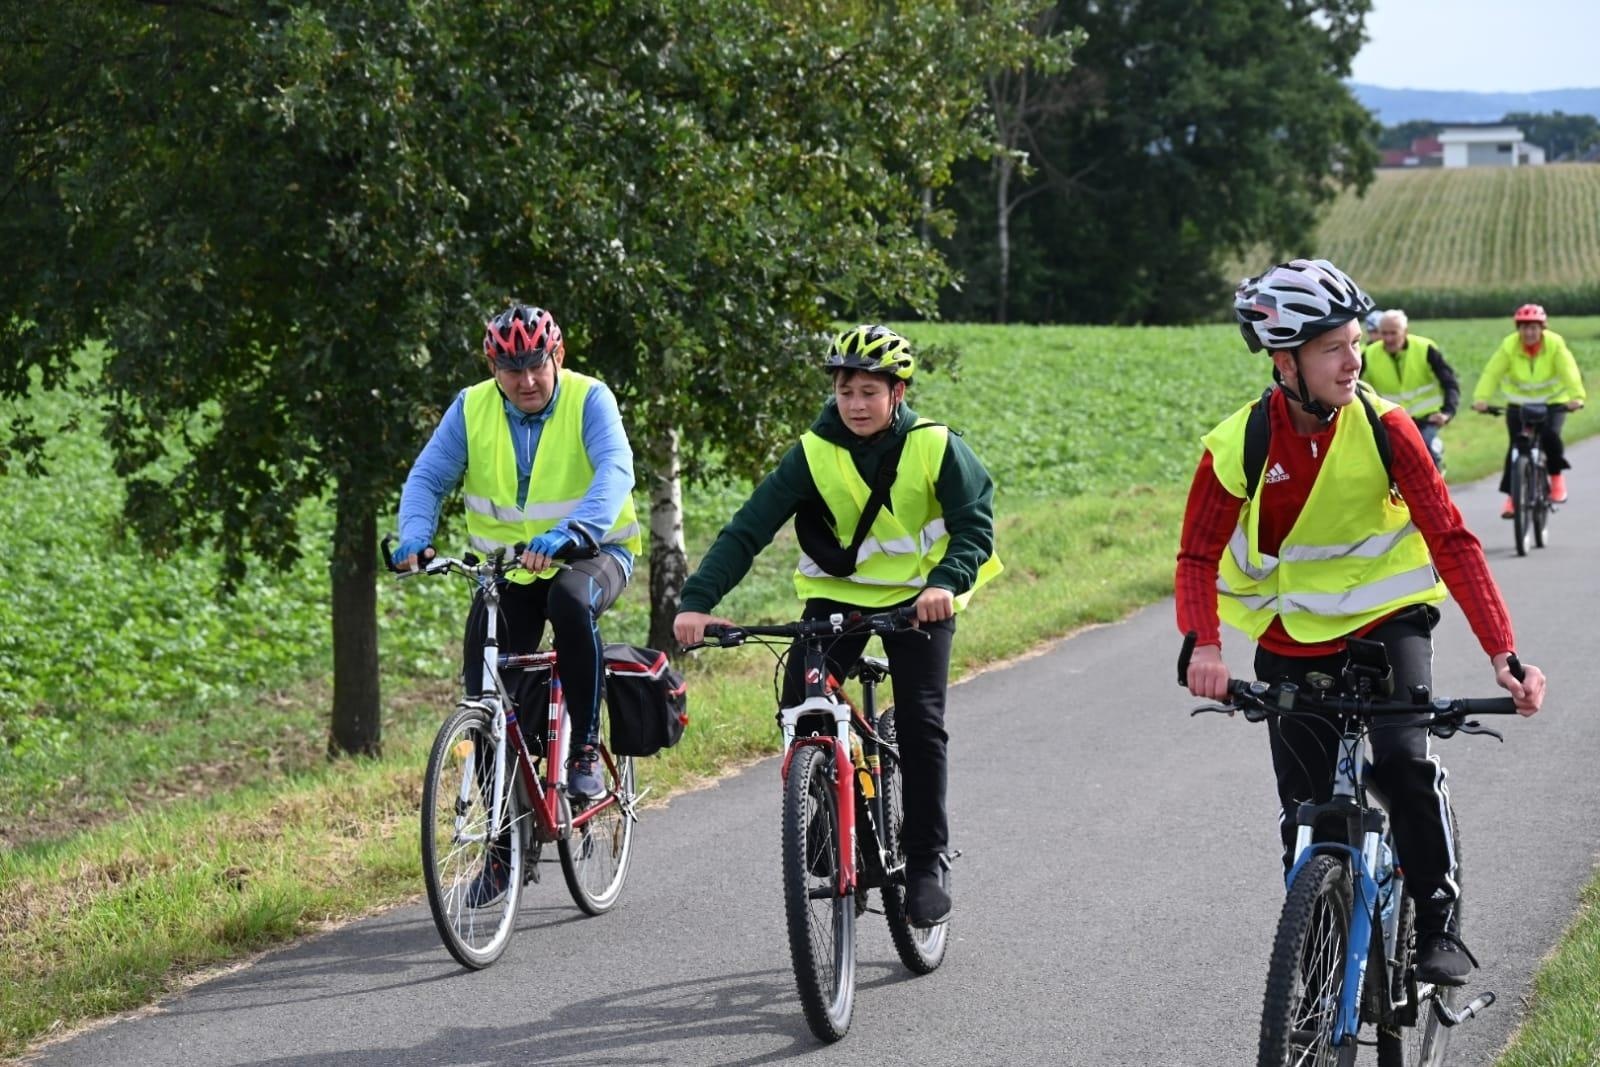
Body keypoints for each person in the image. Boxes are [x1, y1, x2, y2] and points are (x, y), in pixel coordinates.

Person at [1177, 259, 1547, 987]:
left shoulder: (1388, 429)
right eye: (1332, 348)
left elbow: (1451, 540)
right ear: (1285, 362)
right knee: (1307, 813)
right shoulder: (1242, 444)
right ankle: (1315, 973)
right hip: (1292, 636)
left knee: (1403, 763)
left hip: (1388, 621)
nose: (1354, 361)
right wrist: (1206, 646)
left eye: (1356, 342)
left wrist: (1503, 652)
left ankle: (1437, 921)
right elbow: (1196, 555)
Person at [672, 324, 1002, 928]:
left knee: (922, 724)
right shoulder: (812, 452)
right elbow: (748, 530)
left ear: (898, 392)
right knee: (801, 701)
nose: (856, 404)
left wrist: (944, 584)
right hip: (837, 599)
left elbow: (974, 526)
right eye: (846, 391)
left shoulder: (935, 446)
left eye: (869, 392)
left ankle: (925, 861)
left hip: (920, 601)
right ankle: (824, 802)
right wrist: (697, 600)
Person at [394, 303, 641, 815]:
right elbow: (428, 478)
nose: (526, 380)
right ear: (493, 368)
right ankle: (503, 838)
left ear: (558, 356)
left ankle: (585, 749)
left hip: (593, 552)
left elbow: (616, 468)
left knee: (570, 602)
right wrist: (414, 535)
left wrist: (573, 531)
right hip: (510, 568)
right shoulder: (471, 408)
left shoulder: (590, 398)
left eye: (536, 365)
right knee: (483, 687)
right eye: (511, 369)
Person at [1471, 303, 1587, 516]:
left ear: (1542, 328)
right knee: (1516, 447)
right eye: (1524, 328)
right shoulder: (1509, 345)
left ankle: (1556, 478)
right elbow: (1492, 373)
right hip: (1520, 405)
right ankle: (1512, 499)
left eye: (1534, 327)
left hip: (1552, 403)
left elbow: (1569, 370)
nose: (1529, 333)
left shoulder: (1554, 344)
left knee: (1550, 436)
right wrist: (1481, 399)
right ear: (1518, 329)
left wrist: (1577, 397)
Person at [1360, 308, 1459, 472]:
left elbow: (1449, 382)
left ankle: (1436, 462)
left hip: (1426, 419)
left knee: (1426, 453)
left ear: (1405, 331)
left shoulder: (1425, 348)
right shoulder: (1368, 354)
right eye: (1384, 333)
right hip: (1391, 420)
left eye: (1393, 333)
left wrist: (1447, 412)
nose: (1388, 339)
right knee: (1384, 462)